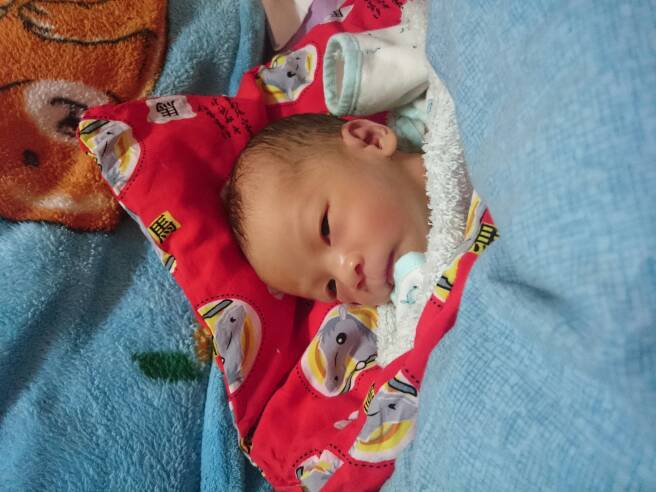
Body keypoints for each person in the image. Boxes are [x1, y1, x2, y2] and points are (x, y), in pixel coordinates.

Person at [224, 113, 430, 306]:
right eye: (332, 286)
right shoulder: (418, 315)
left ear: (371, 139)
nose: (347, 275)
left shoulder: (444, 117)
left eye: (325, 228)